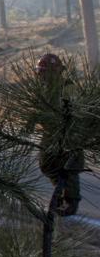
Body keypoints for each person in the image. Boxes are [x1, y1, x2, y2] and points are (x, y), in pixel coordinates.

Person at [33, 53, 84, 216]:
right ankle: (60, 192)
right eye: (39, 72)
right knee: (46, 164)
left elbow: (78, 113)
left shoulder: (68, 88)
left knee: (70, 168)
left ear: (56, 72)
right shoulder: (44, 89)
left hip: (70, 135)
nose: (41, 75)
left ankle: (71, 201)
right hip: (50, 134)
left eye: (44, 72)